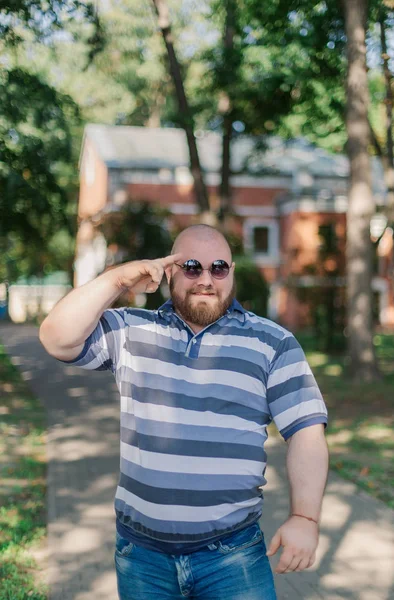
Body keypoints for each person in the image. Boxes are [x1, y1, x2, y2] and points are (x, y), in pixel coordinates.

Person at [39, 224, 329, 600]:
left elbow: (306, 433)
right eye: (192, 267)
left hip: (233, 556)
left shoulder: (272, 343)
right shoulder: (131, 329)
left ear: (231, 272)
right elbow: (55, 338)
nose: (206, 279)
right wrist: (117, 279)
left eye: (218, 268)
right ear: (169, 272)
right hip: (142, 557)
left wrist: (305, 518)